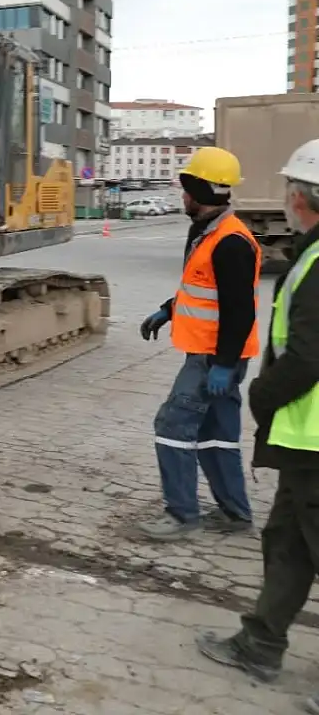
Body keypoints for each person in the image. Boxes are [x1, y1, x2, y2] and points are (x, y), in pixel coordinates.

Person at [195, 140, 319, 704]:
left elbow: (309, 354)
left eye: (292, 190)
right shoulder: (309, 254)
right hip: (303, 442)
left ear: (301, 197)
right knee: (287, 544)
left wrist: (260, 395)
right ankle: (261, 644)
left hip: (312, 436)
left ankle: (261, 643)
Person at [138, 146, 259, 541]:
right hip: (214, 355)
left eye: (186, 188)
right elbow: (203, 290)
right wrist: (168, 310)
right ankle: (237, 514)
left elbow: (239, 310)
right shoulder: (208, 232)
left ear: (201, 191)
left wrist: (224, 364)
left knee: (173, 426)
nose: (182, 195)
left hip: (214, 359)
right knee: (216, 434)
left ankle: (182, 516)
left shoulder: (231, 243)